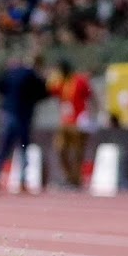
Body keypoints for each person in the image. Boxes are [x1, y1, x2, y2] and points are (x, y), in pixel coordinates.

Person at [0, 55, 48, 192]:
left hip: (8, 113)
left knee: (4, 147)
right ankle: (22, 181)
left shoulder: (9, 73)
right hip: (23, 115)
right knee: (23, 147)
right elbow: (43, 91)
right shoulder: (31, 74)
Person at [47, 60, 96, 188]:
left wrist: (93, 116)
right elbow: (49, 89)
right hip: (65, 122)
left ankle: (76, 179)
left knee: (78, 151)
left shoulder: (80, 80)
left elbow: (91, 97)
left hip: (79, 121)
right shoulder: (60, 82)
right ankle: (68, 176)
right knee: (60, 149)